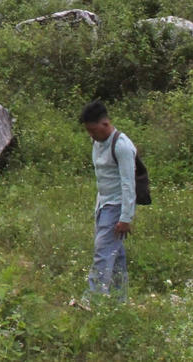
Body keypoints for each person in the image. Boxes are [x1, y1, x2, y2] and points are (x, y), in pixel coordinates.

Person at [78, 99, 136, 303]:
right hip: (103, 205)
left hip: (117, 207)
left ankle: (92, 300)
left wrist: (126, 217)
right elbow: (103, 177)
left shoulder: (122, 146)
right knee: (116, 255)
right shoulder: (97, 141)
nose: (91, 136)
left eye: (93, 130)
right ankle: (120, 300)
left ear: (105, 124)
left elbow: (129, 184)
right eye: (88, 132)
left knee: (102, 252)